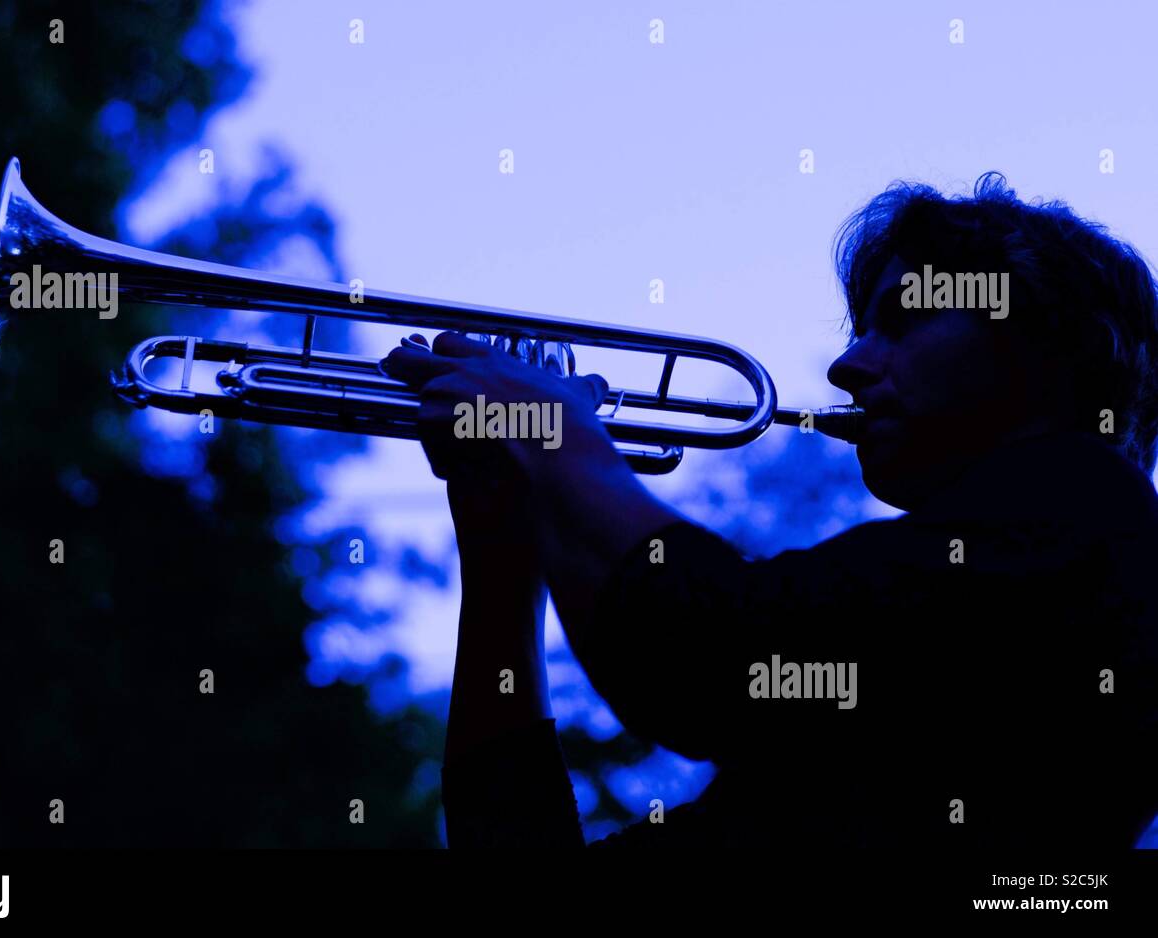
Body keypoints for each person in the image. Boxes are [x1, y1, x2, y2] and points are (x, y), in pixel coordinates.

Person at [382, 173, 1158, 848]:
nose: (847, 366)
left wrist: (560, 444)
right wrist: (504, 555)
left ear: (1050, 347)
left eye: (903, 320)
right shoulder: (904, 682)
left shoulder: (1097, 509)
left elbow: (711, 661)